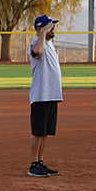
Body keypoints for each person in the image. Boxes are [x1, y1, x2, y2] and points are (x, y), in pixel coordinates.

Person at [27, 15, 63, 177]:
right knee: (37, 131)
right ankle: (34, 164)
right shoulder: (36, 42)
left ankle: (41, 161)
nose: (53, 29)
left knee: (45, 132)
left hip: (51, 95)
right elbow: (37, 52)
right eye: (50, 26)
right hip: (41, 94)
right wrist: (42, 33)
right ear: (41, 28)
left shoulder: (49, 45)